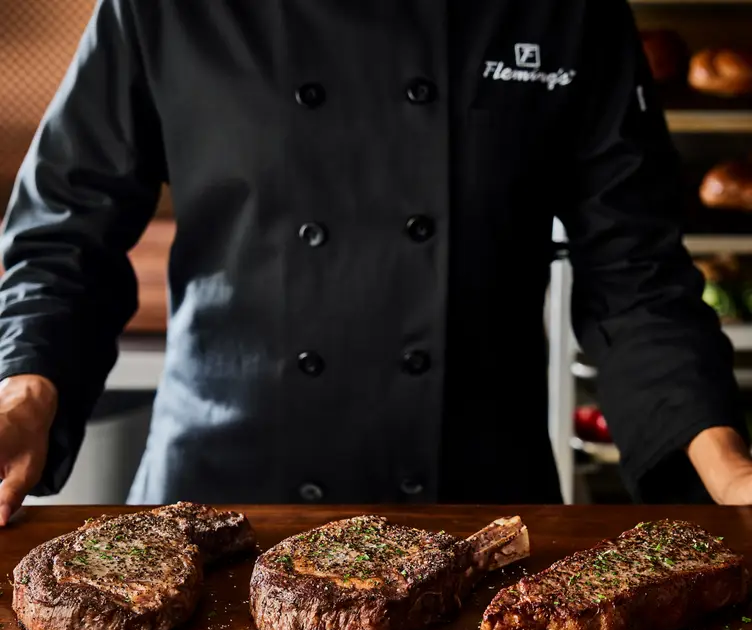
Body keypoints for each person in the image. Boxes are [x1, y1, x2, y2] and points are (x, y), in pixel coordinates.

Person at [0, 0, 751, 527]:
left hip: (475, 520)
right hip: (216, 513)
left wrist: (724, 468)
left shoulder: (563, 11)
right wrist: (24, 396)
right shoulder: (165, 6)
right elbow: (65, 233)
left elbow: (636, 274)